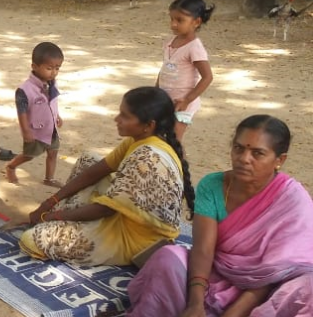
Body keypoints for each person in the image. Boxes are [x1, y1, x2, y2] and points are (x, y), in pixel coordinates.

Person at [125, 115, 313, 317]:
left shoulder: (292, 200)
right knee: (167, 258)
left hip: (267, 293)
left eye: (257, 153)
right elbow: (202, 249)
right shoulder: (213, 185)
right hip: (218, 274)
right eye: (239, 148)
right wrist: (195, 302)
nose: (243, 158)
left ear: (279, 160)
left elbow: (270, 276)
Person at [20, 86, 192, 266]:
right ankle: (67, 216)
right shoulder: (139, 141)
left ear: (149, 125)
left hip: (138, 241)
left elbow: (105, 209)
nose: (116, 119)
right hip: (124, 214)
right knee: (89, 159)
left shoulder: (146, 159)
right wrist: (51, 201)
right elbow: (95, 171)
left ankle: (67, 221)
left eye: (125, 116)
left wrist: (52, 217)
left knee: (32, 239)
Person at [4, 42, 64, 186]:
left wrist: (57, 116)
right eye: (49, 68)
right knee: (29, 155)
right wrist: (26, 131)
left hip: (51, 129)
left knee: (53, 152)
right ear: (34, 66)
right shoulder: (25, 90)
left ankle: (49, 179)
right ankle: (11, 166)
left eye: (57, 68)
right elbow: (22, 112)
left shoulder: (52, 83)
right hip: (35, 131)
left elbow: (53, 102)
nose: (54, 72)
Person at [157, 0, 214, 142]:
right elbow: (164, 68)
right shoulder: (170, 41)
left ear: (196, 22)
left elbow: (207, 77)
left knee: (174, 140)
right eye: (172, 19)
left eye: (180, 20)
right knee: (159, 136)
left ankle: (178, 165)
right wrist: (156, 90)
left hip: (182, 104)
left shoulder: (194, 47)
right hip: (165, 100)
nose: (174, 24)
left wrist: (187, 100)